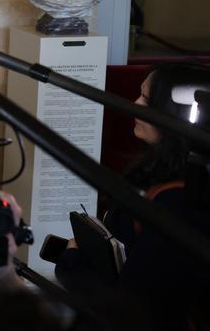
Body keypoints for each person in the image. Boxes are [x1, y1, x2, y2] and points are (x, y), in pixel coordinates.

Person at [51, 63, 210, 330]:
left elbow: (133, 307)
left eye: (147, 99)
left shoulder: (178, 204)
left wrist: (73, 262)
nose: (135, 104)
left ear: (178, 113)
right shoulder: (165, 177)